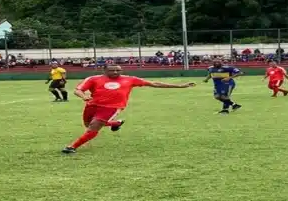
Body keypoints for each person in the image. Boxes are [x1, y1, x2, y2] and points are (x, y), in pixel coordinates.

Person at [62, 65, 195, 154]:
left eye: (118, 70)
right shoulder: (93, 79)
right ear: (105, 71)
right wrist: (84, 97)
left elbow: (154, 83)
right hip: (92, 105)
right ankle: (115, 123)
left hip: (111, 108)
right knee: (88, 125)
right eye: (112, 70)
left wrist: (180, 86)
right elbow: (78, 90)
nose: (115, 72)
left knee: (93, 127)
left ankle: (72, 147)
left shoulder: (130, 79)